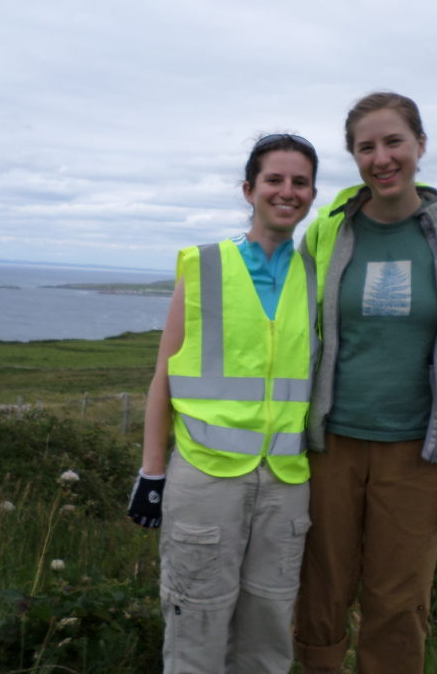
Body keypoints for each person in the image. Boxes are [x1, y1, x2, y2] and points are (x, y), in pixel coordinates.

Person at [293, 92, 437, 673]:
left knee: (399, 601)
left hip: (419, 451)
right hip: (326, 446)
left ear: (420, 146)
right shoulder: (325, 231)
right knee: (321, 589)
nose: (381, 158)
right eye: (366, 147)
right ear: (353, 156)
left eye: (393, 142)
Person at [127, 133, 321, 674]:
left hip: (286, 482)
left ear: (311, 193)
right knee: (198, 625)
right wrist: (152, 471)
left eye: (300, 182)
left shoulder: (316, 274)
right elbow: (163, 377)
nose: (287, 192)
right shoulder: (204, 265)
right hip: (206, 479)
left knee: (268, 631)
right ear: (249, 189)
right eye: (274, 180)